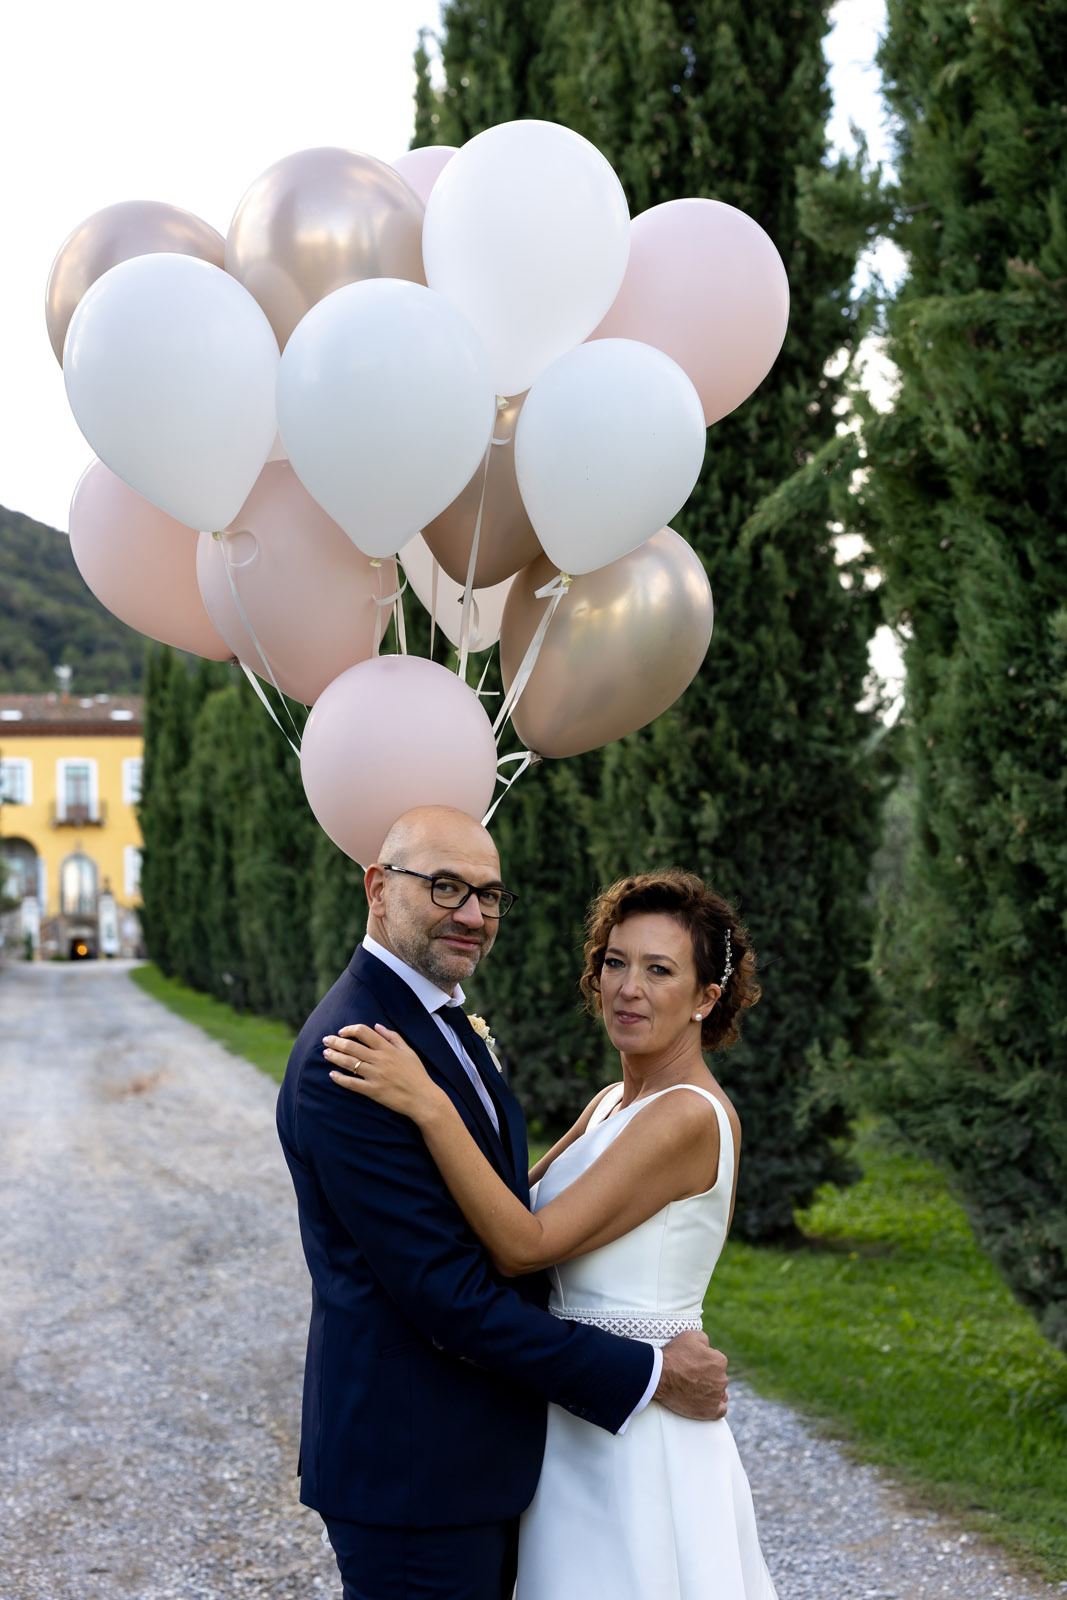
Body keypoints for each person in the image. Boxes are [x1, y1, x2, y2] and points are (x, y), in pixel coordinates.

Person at [276, 807, 731, 1600]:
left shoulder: (436, 1027)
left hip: (524, 1450)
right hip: (418, 1467)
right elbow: (453, 1295)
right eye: (444, 887)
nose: (471, 913)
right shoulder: (354, 1054)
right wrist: (649, 1374)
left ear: (706, 996)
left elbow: (507, 1217)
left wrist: (432, 1106)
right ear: (377, 889)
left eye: (488, 894)